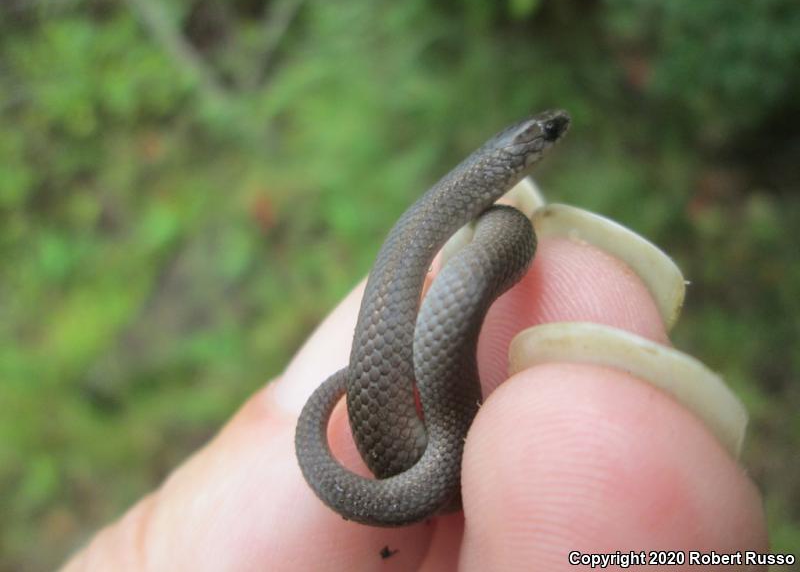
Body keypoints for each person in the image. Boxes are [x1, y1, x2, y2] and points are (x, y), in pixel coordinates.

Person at [62, 206, 767, 571]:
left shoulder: (495, 233)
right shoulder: (488, 232)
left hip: (435, 452)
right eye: (547, 136)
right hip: (434, 455)